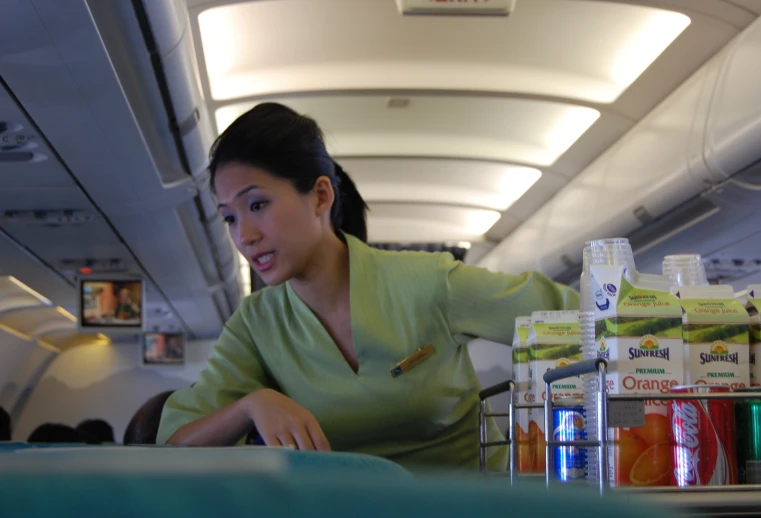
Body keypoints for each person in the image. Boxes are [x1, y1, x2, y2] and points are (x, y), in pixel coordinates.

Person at [156, 102, 579, 472]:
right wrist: (252, 404)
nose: (244, 235)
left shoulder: (428, 283)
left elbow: (584, 321)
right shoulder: (256, 324)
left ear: (321, 197)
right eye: (229, 217)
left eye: (257, 205)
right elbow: (174, 445)